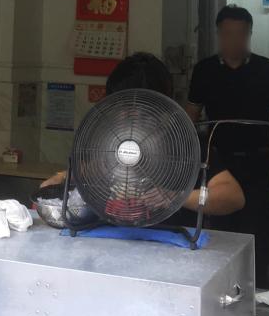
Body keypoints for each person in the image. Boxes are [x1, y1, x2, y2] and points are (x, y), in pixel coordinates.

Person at [41, 52, 245, 219]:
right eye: (122, 105)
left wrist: (176, 197)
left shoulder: (186, 143)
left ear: (161, 104)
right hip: (111, 241)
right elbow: (93, 169)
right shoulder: (109, 141)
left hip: (170, 245)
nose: (130, 113)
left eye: (140, 106)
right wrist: (62, 178)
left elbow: (233, 196)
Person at [185, 4, 269, 287]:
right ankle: (221, 289)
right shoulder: (205, 70)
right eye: (228, 34)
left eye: (241, 34)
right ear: (219, 35)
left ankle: (257, 292)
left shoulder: (266, 69)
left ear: (249, 34)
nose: (234, 40)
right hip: (219, 165)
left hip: (259, 164)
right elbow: (189, 118)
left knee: (257, 232)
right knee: (220, 233)